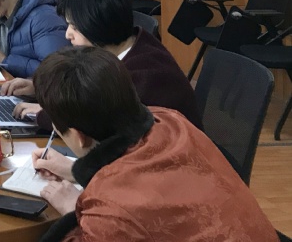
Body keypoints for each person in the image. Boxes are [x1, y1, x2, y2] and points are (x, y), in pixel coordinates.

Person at [30, 47, 274, 242]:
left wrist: (75, 209)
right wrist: (74, 171)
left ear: (78, 136)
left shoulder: (112, 212)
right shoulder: (170, 119)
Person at [2, 0, 202, 130]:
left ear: (98, 26)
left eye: (74, 27)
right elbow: (86, 90)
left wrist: (49, 114)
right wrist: (39, 89)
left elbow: (100, 122)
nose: (67, 34)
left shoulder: (147, 75)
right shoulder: (121, 51)